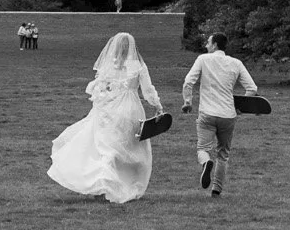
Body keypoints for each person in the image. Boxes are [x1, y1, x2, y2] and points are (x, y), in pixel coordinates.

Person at [48, 32, 165, 204]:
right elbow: (148, 91)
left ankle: (103, 183)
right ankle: (116, 183)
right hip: (130, 108)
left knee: (106, 146)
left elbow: (99, 88)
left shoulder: (109, 65)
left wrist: (102, 102)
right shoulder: (138, 66)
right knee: (127, 147)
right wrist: (158, 106)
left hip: (108, 108)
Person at [181, 30, 258, 199]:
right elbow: (252, 88)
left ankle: (206, 162)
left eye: (208, 42)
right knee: (223, 154)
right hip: (228, 115)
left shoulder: (203, 59)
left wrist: (188, 102)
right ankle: (216, 190)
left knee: (202, 148)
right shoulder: (236, 63)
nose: (206, 45)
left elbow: (188, 82)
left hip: (207, 113)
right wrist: (241, 106)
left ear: (215, 44)